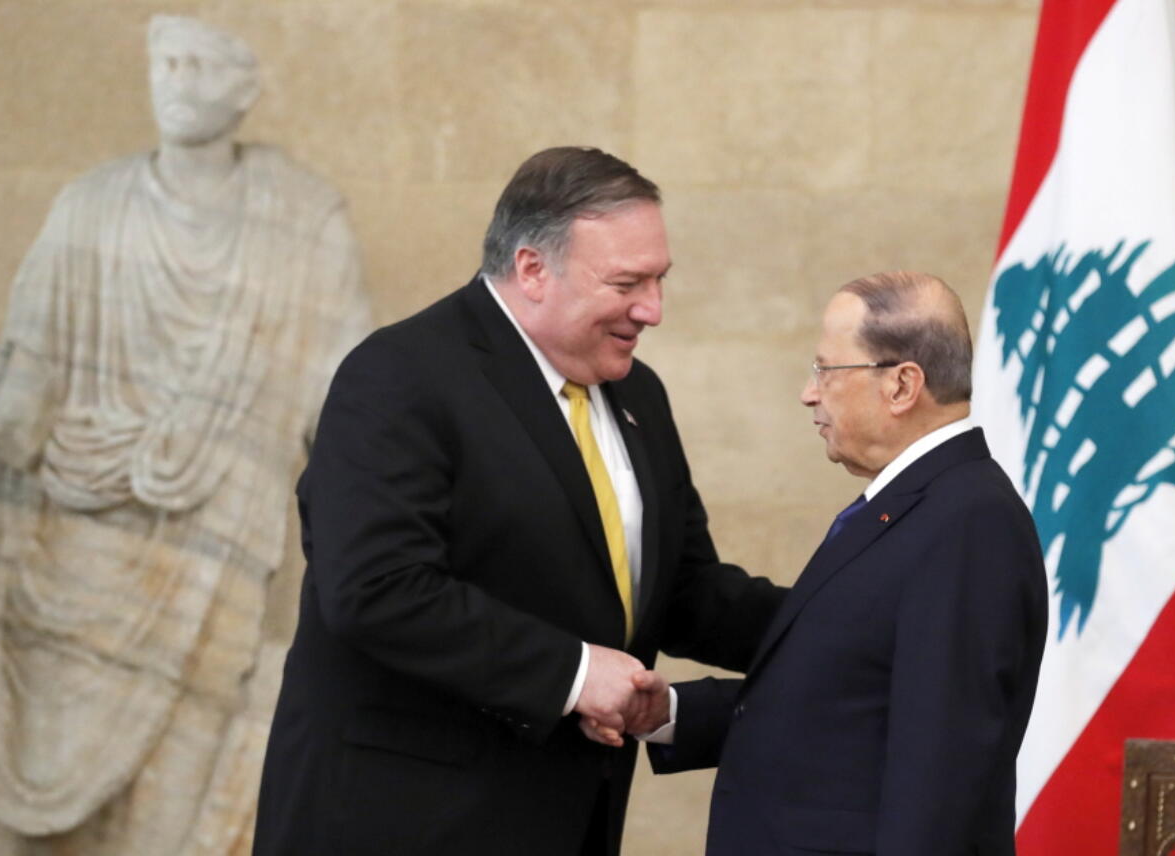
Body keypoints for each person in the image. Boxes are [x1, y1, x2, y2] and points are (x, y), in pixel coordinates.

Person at [252, 146, 784, 856]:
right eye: (627, 282)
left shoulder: (638, 396)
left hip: (565, 821)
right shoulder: (400, 376)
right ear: (533, 269)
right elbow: (374, 587)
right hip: (402, 824)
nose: (652, 310)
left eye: (659, 280)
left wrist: (849, 620)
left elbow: (684, 592)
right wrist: (572, 672)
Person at [0, 16, 371, 855]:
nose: (174, 80)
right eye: (164, 62)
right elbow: (24, 384)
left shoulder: (301, 219)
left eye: (197, 65)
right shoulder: (89, 205)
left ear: (241, 90)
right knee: (40, 762)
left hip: (219, 530)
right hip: (74, 533)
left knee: (189, 765)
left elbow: (347, 398)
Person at [639, 271, 1048, 855]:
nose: (810, 393)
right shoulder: (911, 507)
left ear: (902, 385)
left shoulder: (968, 522)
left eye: (826, 370)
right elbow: (848, 703)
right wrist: (673, 712)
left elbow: (942, 778)